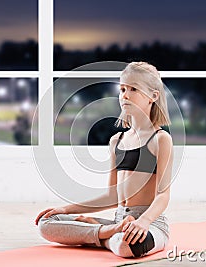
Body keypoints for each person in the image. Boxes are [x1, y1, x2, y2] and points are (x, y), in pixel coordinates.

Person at [35, 62, 174, 258]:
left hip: (149, 224)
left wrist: (143, 222)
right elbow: (112, 197)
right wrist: (65, 208)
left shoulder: (160, 139)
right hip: (119, 221)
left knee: (128, 246)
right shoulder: (116, 141)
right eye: (122, 89)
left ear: (153, 96)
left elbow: (163, 195)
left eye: (133, 89)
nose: (124, 95)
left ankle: (100, 235)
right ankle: (106, 233)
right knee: (47, 223)